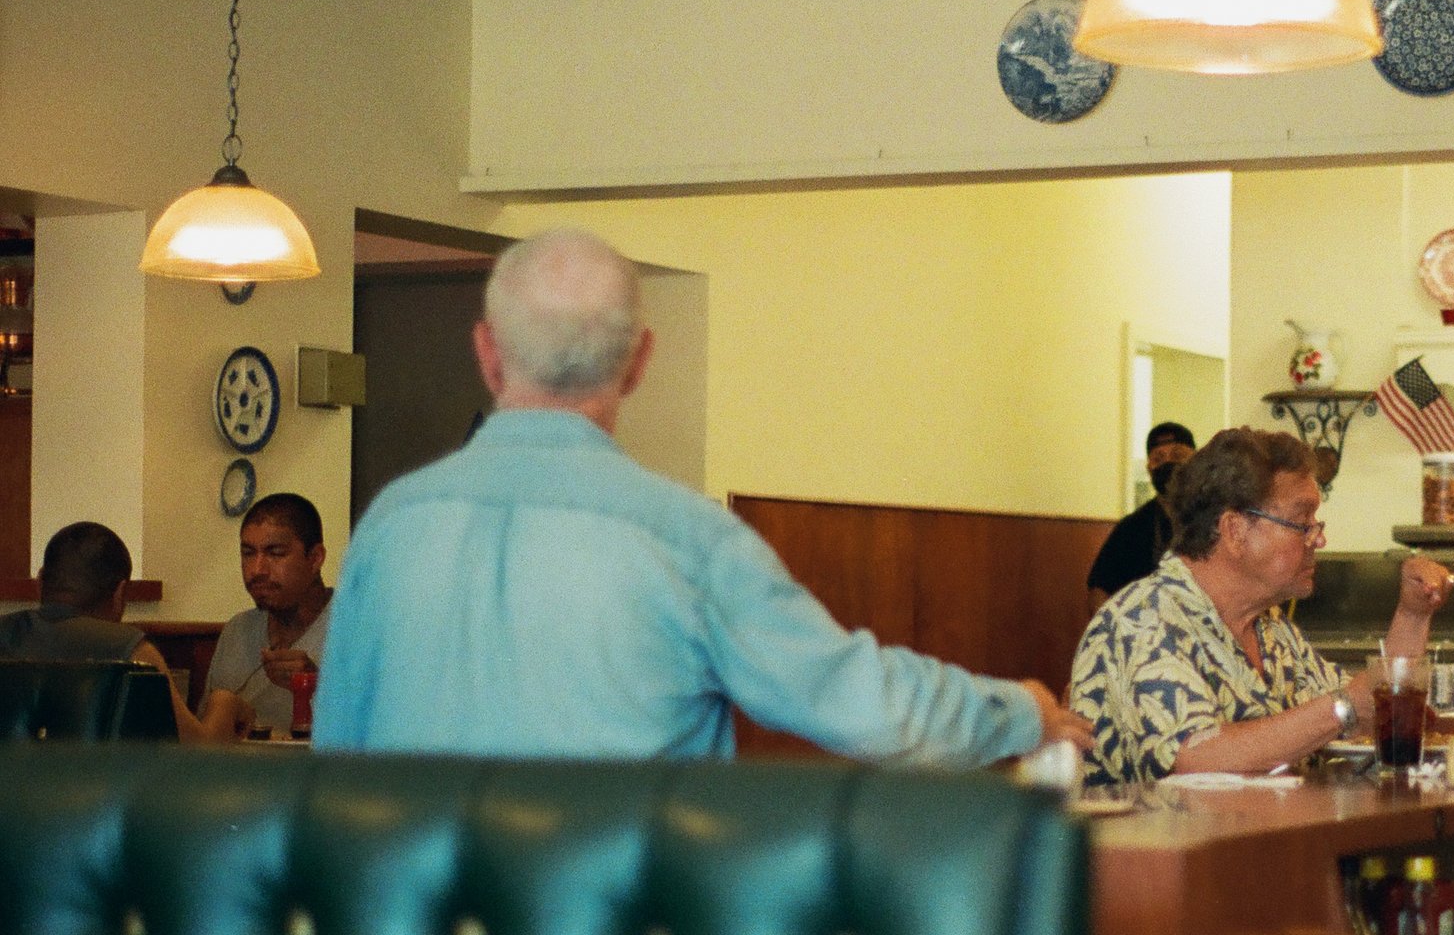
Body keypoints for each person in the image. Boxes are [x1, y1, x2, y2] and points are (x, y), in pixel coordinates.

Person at [316, 227, 1093, 763]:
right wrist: (1020, 710)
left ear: (487, 353)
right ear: (640, 361)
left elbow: (334, 757)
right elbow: (862, 706)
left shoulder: (390, 525)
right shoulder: (685, 540)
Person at [1069, 427, 1454, 787]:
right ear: (1235, 530)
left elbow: (1372, 709)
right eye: (1303, 523)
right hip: (1158, 857)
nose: (1318, 539)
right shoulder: (1142, 620)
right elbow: (1194, 757)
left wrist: (1413, 613)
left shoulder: (1271, 629)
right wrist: (1343, 709)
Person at [0, 522, 236, 743]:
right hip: (97, 786)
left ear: (40, 581)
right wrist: (223, 704)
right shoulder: (132, 651)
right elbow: (197, 753)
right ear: (120, 594)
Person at [204, 493, 332, 736]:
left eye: (275, 553)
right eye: (248, 553)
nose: (257, 570)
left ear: (315, 558)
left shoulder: (363, 629)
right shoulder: (237, 631)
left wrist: (317, 686)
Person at [1087, 420, 1196, 612]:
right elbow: (1100, 588)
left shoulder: (1218, 519)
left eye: (1178, 455)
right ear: (1149, 468)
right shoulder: (1132, 527)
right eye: (1158, 458)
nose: (1168, 463)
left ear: (1195, 461)